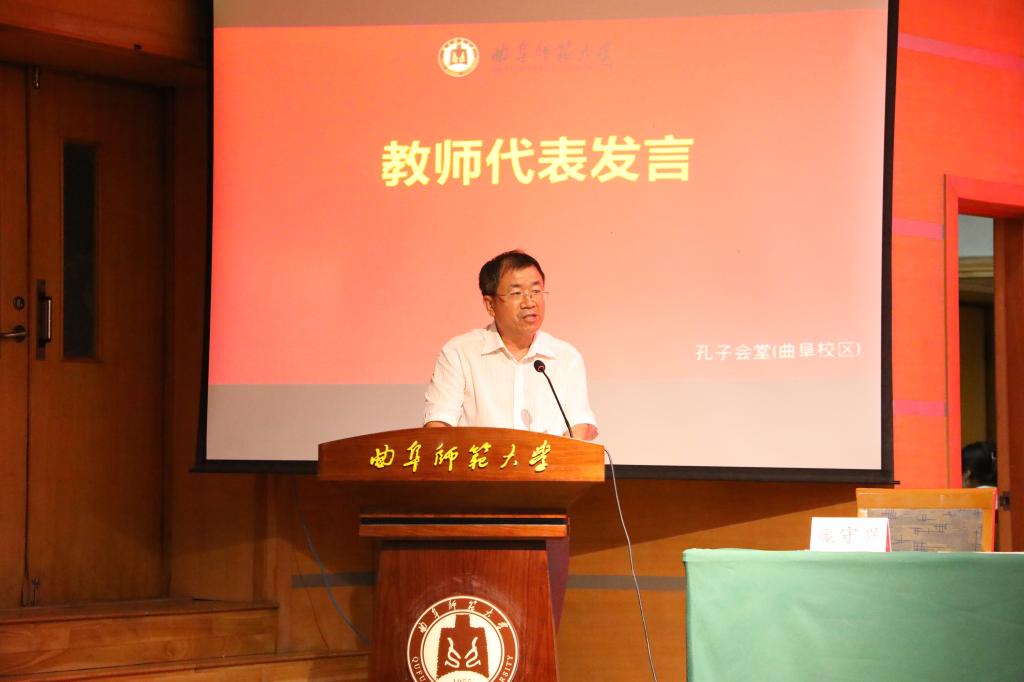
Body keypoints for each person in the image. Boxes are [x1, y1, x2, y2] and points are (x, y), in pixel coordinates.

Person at [424, 249, 598, 441]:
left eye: (536, 291)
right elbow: (438, 425)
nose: (529, 302)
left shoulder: (566, 357)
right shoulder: (459, 353)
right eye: (516, 293)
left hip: (547, 461)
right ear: (490, 305)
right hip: (480, 460)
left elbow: (578, 425)